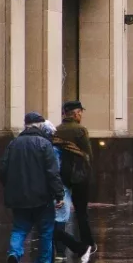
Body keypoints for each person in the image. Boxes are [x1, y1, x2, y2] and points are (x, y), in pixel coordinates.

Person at [0, 113, 66, 263]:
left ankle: (14, 254)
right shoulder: (44, 144)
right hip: (42, 197)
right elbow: (52, 173)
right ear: (39, 125)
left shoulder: (13, 144)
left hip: (18, 197)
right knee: (45, 231)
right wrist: (59, 194)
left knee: (19, 229)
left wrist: (11, 186)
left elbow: (2, 170)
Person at [53, 100, 95, 253]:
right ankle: (88, 243)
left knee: (61, 211)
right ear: (76, 113)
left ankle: (60, 248)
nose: (81, 115)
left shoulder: (57, 130)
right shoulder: (80, 130)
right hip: (79, 176)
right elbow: (88, 154)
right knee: (81, 212)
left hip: (62, 175)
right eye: (80, 113)